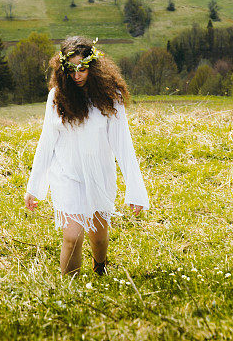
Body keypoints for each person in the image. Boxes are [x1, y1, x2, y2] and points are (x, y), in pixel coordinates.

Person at [24, 35, 150, 277]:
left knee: (99, 237)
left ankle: (100, 266)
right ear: (63, 70)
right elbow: (46, 142)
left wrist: (136, 191)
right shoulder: (56, 97)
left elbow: (124, 145)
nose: (77, 75)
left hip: (99, 176)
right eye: (71, 70)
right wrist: (34, 187)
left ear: (93, 67)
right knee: (72, 237)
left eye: (83, 69)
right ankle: (70, 294)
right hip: (67, 175)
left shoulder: (111, 97)